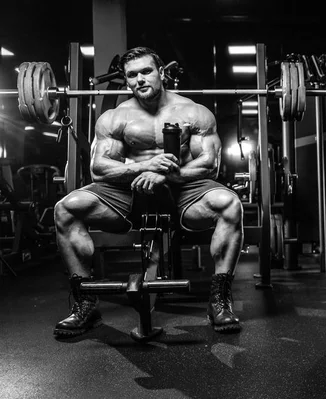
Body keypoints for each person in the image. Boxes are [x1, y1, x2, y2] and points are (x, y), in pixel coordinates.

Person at [53, 46, 244, 337]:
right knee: (65, 208)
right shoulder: (116, 117)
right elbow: (99, 169)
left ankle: (219, 301)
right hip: (130, 192)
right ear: (127, 80)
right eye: (132, 75)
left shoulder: (194, 112)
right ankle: (85, 302)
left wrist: (167, 173)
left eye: (146, 71)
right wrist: (142, 169)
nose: (140, 79)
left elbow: (209, 165)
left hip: (183, 189)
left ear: (161, 73)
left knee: (230, 203)